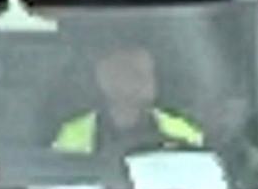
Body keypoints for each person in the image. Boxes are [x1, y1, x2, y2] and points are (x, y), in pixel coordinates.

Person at [52, 40, 204, 160]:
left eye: (150, 72)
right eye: (135, 73)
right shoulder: (72, 136)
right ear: (105, 80)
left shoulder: (184, 133)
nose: (147, 81)